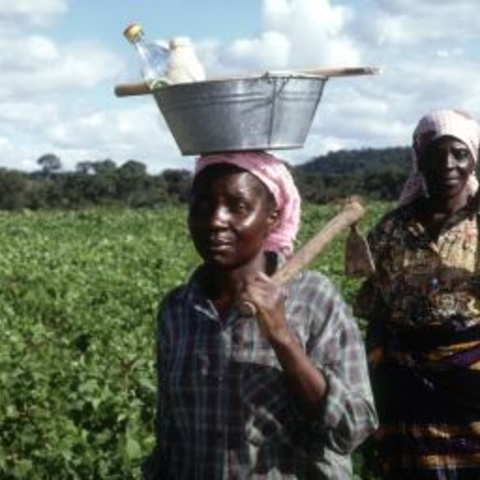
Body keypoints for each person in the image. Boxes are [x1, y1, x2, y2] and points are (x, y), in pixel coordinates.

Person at [142, 150, 377, 480]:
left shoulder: (313, 299)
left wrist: (282, 337)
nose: (215, 220)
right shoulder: (178, 309)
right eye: (203, 205)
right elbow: (170, 435)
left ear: (272, 216)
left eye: (237, 207)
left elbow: (354, 428)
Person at [354, 109, 480, 479]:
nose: (447, 164)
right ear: (418, 158)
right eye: (434, 153)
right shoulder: (392, 229)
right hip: (405, 385)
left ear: (473, 158)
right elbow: (375, 310)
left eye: (459, 153)